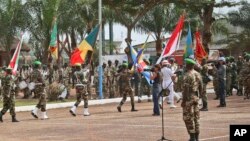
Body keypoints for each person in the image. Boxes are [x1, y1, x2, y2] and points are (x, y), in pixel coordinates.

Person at [181, 58, 202, 141]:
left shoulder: (187, 75)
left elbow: (186, 89)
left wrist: (184, 101)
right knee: (196, 117)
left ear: (188, 65)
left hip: (188, 98)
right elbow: (201, 87)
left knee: (188, 118)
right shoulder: (198, 74)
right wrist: (199, 96)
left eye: (186, 64)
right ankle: (197, 137)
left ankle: (192, 137)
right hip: (196, 98)